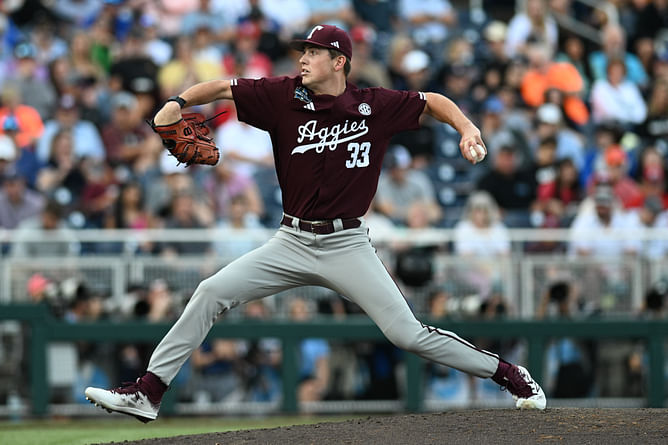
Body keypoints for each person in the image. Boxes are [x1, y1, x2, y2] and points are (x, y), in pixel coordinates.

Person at [84, 24, 546, 422]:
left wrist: (467, 128)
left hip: (347, 245)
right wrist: (176, 102)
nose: (303, 59)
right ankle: (149, 392)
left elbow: (434, 101)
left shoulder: (374, 105)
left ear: (339, 61)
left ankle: (510, 375)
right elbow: (223, 87)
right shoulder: (282, 97)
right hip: (291, 240)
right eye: (302, 52)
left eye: (312, 52)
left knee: (407, 333)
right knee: (210, 292)